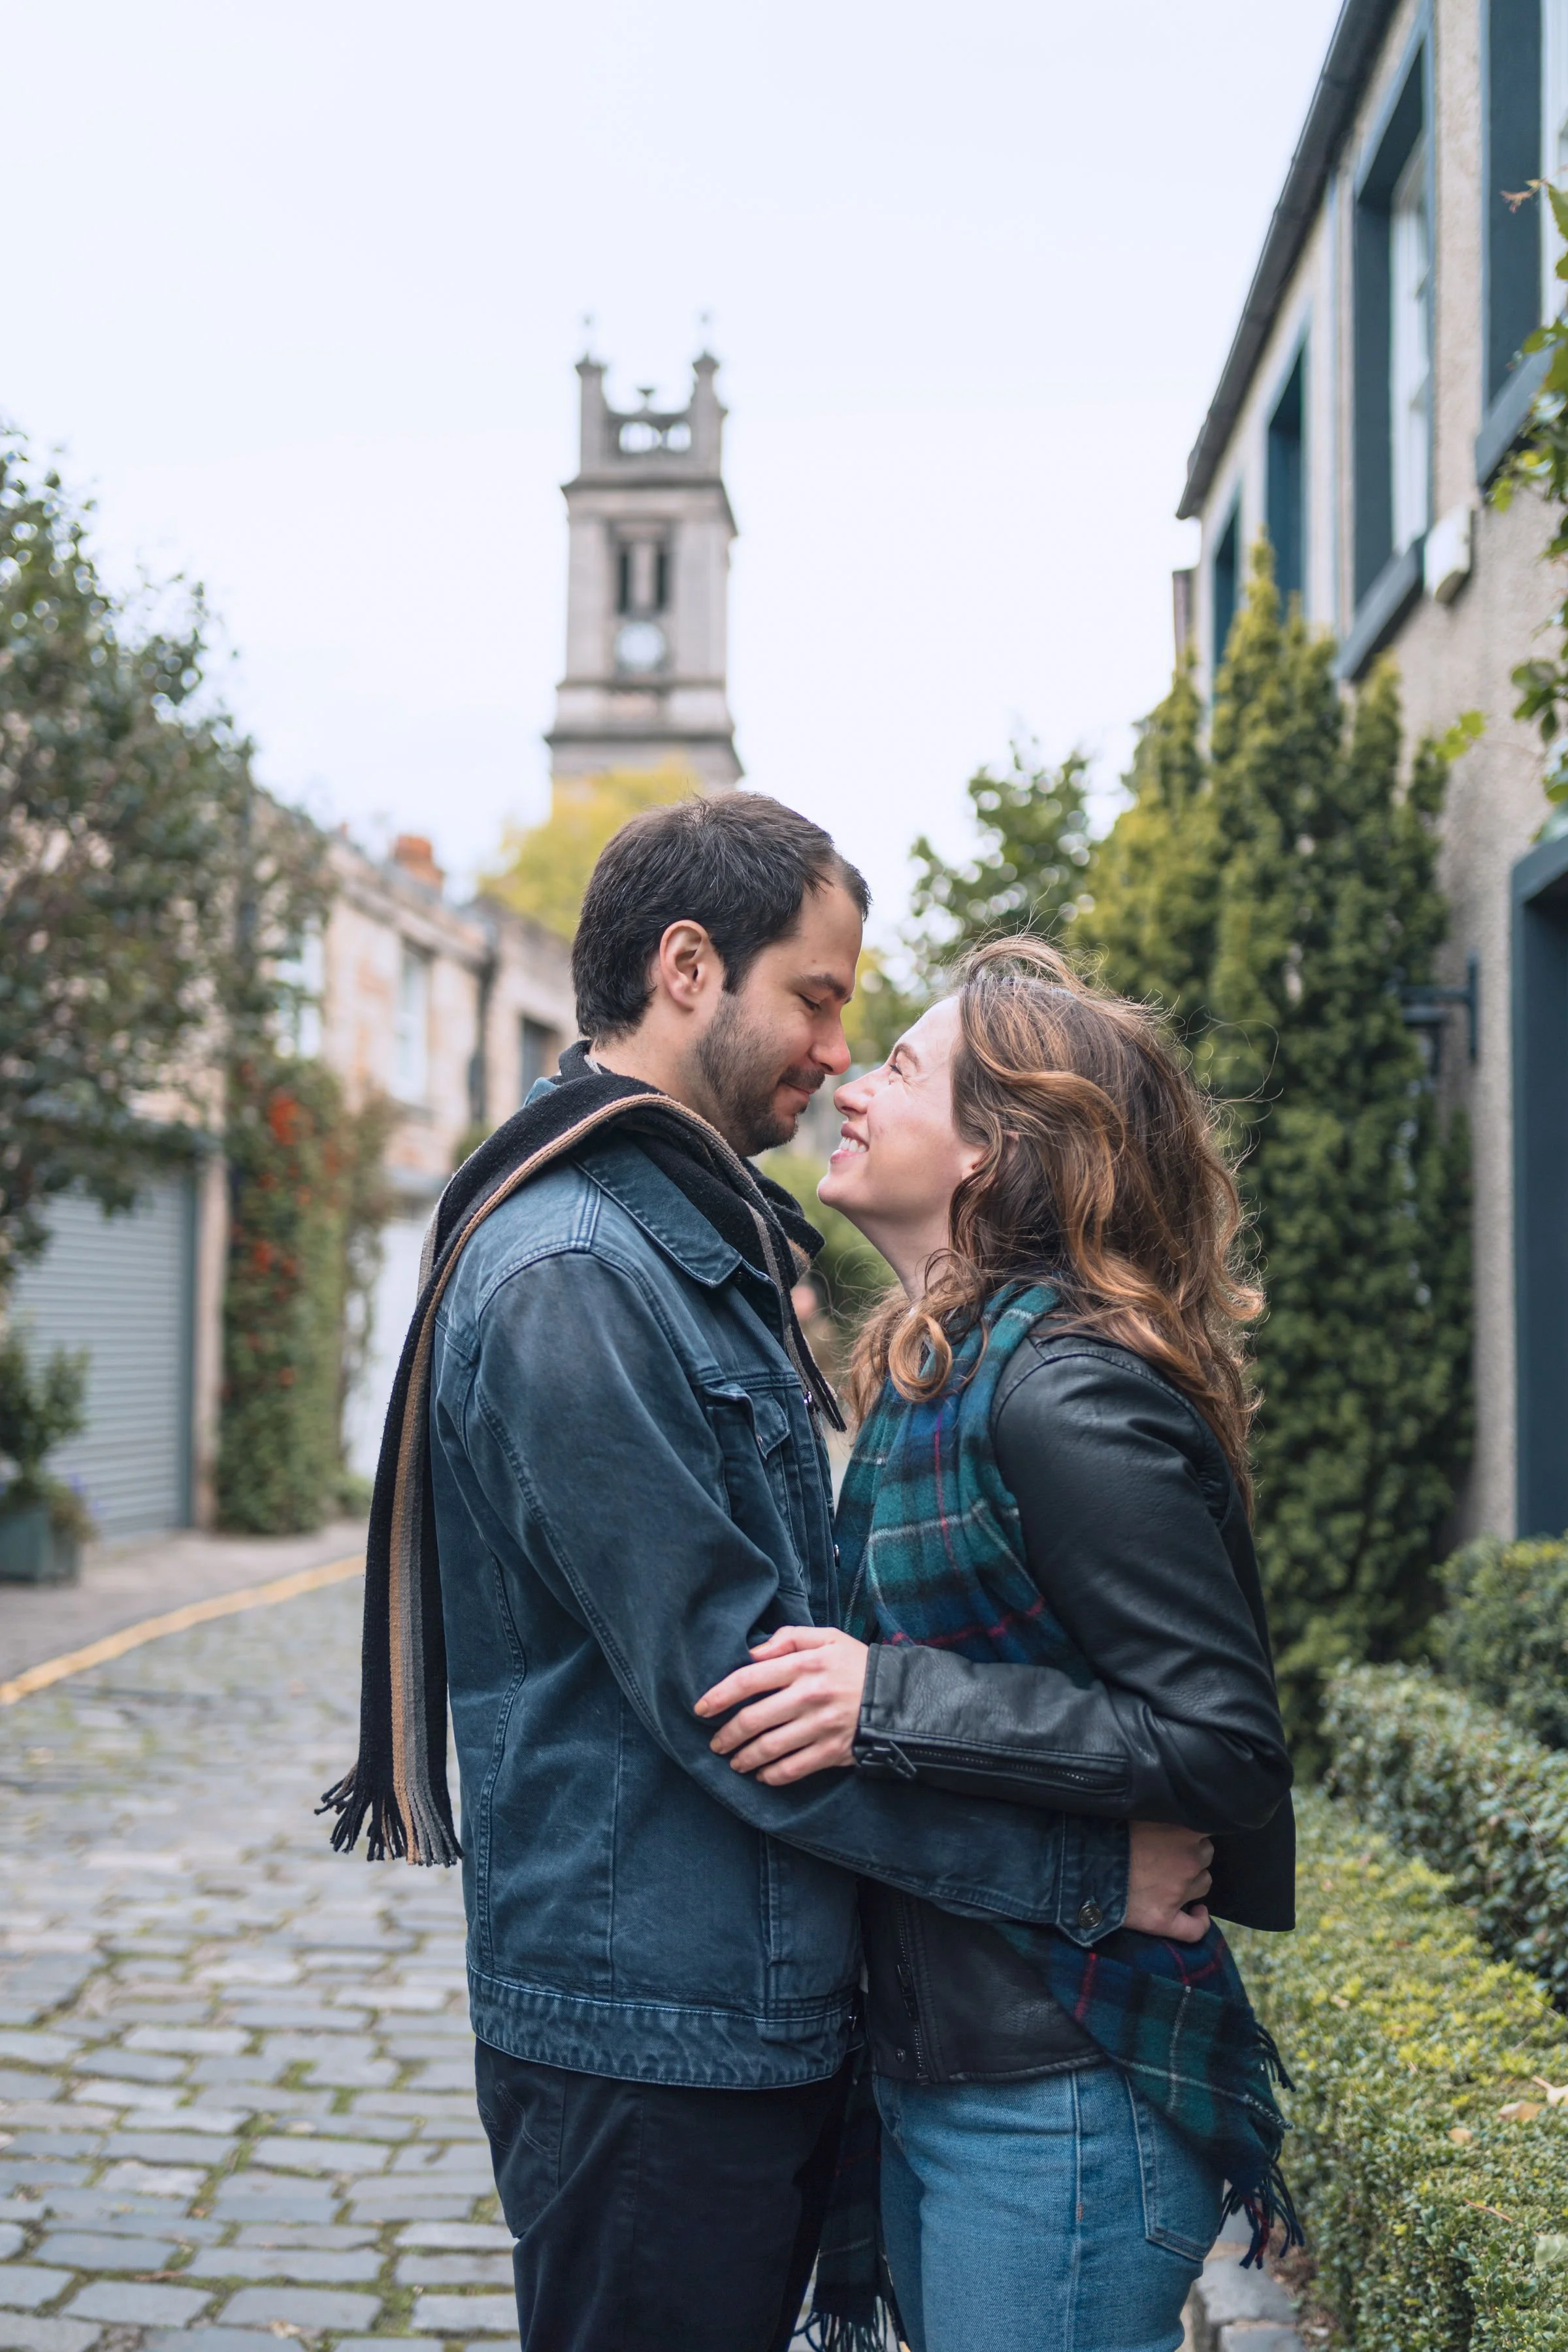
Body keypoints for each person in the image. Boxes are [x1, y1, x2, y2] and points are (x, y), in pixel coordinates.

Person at [324, 800, 1218, 2352]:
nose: (832, 1050)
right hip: (657, 2037)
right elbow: (745, 1696)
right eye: (813, 996)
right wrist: (1079, 1877)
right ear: (689, 968)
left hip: (748, 2013)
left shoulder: (690, 1241)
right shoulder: (579, 1278)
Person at [697, 936, 1296, 2352]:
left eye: (900, 1067)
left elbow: (1223, 1745)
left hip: (1063, 2102)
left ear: (989, 1150)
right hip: (952, 2080)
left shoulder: (1069, 1392)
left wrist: (884, 1699)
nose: (852, 1086)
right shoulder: (940, 1373)